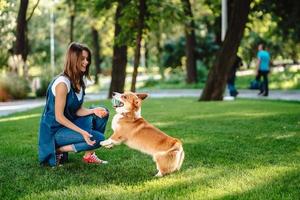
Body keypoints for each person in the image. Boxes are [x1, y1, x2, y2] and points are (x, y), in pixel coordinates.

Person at [38, 42, 109, 167]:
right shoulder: (62, 83)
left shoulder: (79, 81)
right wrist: (82, 132)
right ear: (73, 59)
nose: (86, 62)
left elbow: (77, 110)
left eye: (87, 59)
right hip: (55, 131)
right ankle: (57, 150)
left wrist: (94, 111)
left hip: (68, 124)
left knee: (102, 112)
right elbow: (59, 117)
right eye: (82, 59)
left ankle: (89, 155)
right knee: (99, 138)